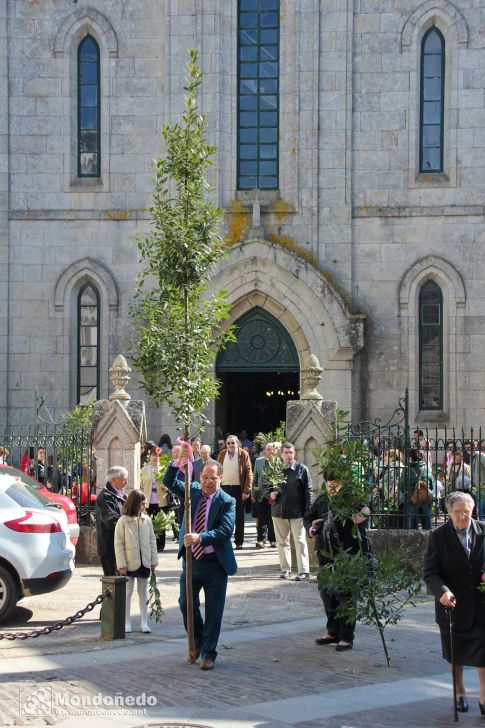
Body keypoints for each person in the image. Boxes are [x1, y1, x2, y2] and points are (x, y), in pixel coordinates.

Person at [163, 448, 237, 671]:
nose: (207, 482)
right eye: (204, 477)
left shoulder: (227, 501)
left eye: (212, 478)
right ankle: (197, 642)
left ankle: (209, 653)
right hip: (192, 562)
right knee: (186, 604)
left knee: (214, 611)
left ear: (220, 479)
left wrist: (200, 538)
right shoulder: (192, 492)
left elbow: (225, 531)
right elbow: (169, 481)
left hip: (216, 564)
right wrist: (178, 462)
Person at [423, 491, 485, 715]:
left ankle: (484, 696)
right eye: (457, 513)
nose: (462, 517)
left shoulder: (483, 530)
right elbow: (430, 572)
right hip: (452, 603)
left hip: (480, 602)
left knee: (483, 653)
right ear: (448, 513)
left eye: (466, 512)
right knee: (455, 652)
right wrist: (443, 591)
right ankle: (459, 693)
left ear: (473, 511)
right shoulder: (438, 536)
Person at [304, 472, 371, 651]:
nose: (332, 487)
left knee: (346, 597)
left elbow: (366, 508)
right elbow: (308, 517)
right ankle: (332, 631)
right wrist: (312, 527)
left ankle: (346, 637)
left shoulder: (351, 498)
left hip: (348, 556)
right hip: (326, 555)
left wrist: (363, 515)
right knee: (328, 595)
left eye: (336, 484)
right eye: (329, 483)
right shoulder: (322, 499)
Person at [114, 489, 158, 633]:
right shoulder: (123, 521)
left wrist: (153, 560)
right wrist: (121, 564)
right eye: (142, 504)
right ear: (134, 503)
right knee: (127, 592)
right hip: (129, 562)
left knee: (143, 592)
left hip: (144, 561)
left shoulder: (147, 520)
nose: (144, 507)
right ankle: (127, 622)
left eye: (144, 504)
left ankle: (144, 622)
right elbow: (119, 544)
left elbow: (152, 541)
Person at [270, 442, 312, 580]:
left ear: (295, 454)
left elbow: (309, 492)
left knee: (300, 541)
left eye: (291, 452)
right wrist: (269, 494)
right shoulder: (274, 469)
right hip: (278, 511)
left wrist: (308, 511)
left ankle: (303, 571)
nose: (289, 455)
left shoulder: (302, 469)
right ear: (281, 454)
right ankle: (285, 570)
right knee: (282, 542)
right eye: (286, 452)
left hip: (297, 512)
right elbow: (265, 487)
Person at [217, 435, 252, 549]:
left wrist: (246, 490)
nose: (231, 445)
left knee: (239, 516)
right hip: (224, 489)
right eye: (228, 443)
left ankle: (239, 542)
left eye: (233, 443)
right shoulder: (222, 454)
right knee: (223, 515)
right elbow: (217, 471)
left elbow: (249, 473)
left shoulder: (243, 454)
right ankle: (224, 540)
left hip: (238, 489)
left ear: (237, 444)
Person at [96, 466, 128, 575]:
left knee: (122, 582)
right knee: (112, 582)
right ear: (113, 480)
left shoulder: (122, 495)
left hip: (119, 545)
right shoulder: (105, 496)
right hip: (109, 546)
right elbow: (111, 520)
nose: (126, 482)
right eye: (124, 479)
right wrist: (129, 524)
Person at [139, 445, 171, 551]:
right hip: (148, 499)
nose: (155, 458)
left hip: (161, 499)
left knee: (161, 524)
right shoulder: (144, 470)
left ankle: (160, 545)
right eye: (153, 455)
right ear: (150, 456)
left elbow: (170, 485)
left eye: (157, 456)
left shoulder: (164, 469)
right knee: (148, 523)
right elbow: (141, 486)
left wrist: (166, 487)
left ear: (160, 457)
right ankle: (149, 545)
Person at [252, 442, 277, 548]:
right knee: (261, 518)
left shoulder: (278, 462)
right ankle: (261, 540)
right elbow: (255, 479)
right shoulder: (258, 461)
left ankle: (273, 540)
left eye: (272, 449)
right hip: (261, 495)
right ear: (265, 451)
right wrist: (253, 493)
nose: (270, 451)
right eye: (268, 449)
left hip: (273, 496)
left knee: (272, 518)